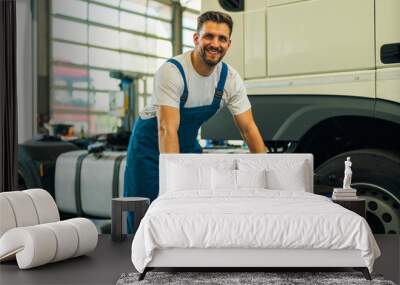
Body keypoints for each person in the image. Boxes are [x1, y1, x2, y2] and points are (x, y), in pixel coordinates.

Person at [124, 11, 268, 231]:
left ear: (229, 44)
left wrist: (267, 172)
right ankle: (137, 262)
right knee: (146, 214)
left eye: (222, 39)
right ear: (196, 39)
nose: (215, 44)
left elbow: (249, 129)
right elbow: (167, 130)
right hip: (149, 148)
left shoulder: (229, 79)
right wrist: (174, 183)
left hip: (188, 145)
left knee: (193, 210)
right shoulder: (172, 72)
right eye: (209, 36)